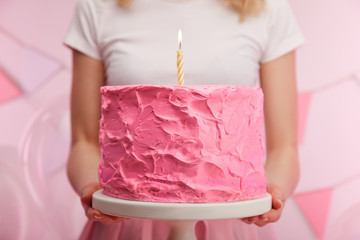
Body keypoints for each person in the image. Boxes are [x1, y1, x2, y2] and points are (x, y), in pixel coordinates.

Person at [64, 0, 304, 239]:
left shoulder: (267, 7)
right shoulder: (97, 7)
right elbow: (83, 142)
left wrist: (274, 190)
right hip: (125, 224)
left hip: (230, 224)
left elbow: (284, 147)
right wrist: (91, 188)